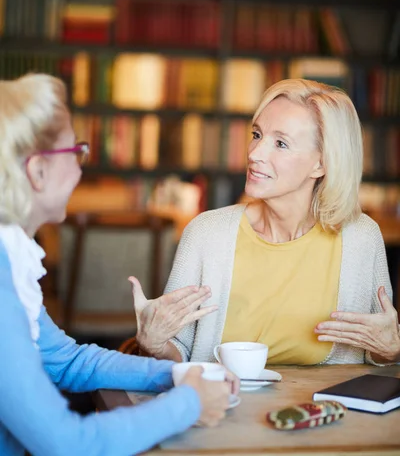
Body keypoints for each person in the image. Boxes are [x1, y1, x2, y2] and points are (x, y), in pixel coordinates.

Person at [0, 73, 236, 456]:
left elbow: (68, 361)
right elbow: (68, 445)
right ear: (37, 171)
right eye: (75, 152)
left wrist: (177, 375)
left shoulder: (11, 258)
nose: (80, 167)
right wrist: (189, 404)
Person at [127, 78, 400, 367]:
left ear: (321, 164)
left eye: (280, 144)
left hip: (326, 411)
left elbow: (378, 359)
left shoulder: (362, 237)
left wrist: (391, 351)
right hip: (224, 407)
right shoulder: (205, 233)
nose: (254, 154)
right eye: (256, 135)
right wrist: (154, 344)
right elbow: (176, 353)